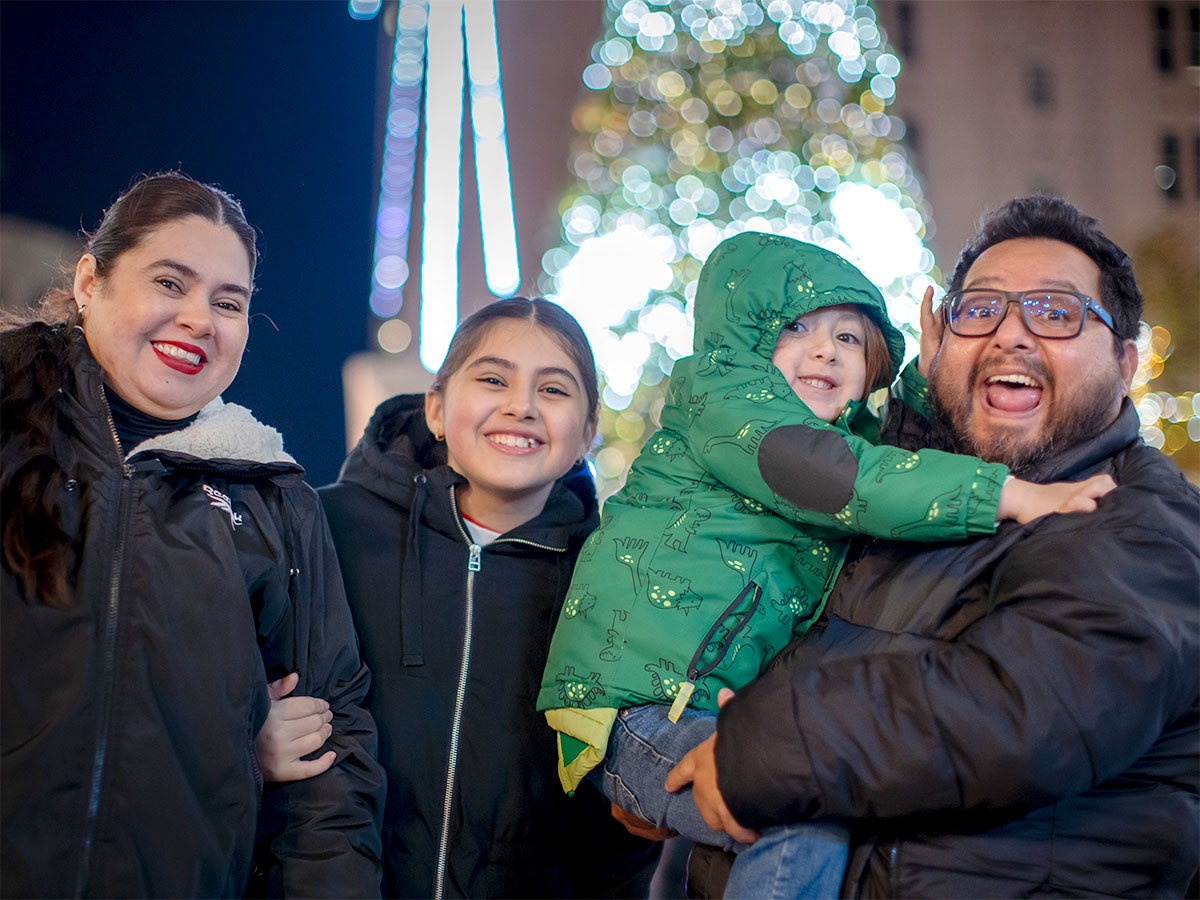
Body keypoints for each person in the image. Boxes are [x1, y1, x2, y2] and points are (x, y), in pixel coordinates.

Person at [534, 232, 1115, 898]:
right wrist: (1010, 494)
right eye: (797, 328)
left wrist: (929, 382)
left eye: (848, 338)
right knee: (796, 813)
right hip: (637, 703)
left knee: (801, 799)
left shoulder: (834, 442)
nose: (824, 349)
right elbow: (855, 481)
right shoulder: (732, 414)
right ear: (747, 343)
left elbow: (886, 466)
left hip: (695, 703)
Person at [672, 197, 1199, 898]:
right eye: (979, 310)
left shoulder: (1133, 522)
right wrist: (672, 772)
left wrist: (755, 751)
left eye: (1055, 312)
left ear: (1125, 361)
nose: (1011, 335)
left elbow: (1022, 709)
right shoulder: (904, 496)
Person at [0, 172, 385, 898]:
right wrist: (230, 734)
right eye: (170, 283)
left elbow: (330, 778)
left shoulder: (274, 497)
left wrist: (228, 744)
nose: (199, 319)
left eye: (228, 301)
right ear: (90, 281)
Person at [260, 298, 660, 897]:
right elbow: (214, 701)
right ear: (438, 409)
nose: (520, 406)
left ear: (587, 434)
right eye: (493, 379)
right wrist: (249, 740)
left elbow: (616, 823)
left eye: (553, 391)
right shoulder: (321, 527)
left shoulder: (612, 582)